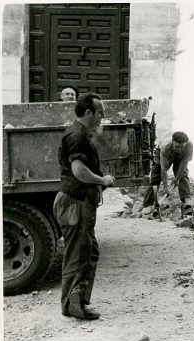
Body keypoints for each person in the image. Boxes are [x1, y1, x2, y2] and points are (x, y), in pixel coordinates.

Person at [53, 93, 115, 320]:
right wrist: (102, 180)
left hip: (77, 202)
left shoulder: (79, 133)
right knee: (78, 255)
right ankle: (73, 305)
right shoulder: (77, 135)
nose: (102, 117)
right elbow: (79, 171)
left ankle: (75, 302)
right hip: (75, 202)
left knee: (87, 252)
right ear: (88, 112)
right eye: (100, 113)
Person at [142, 131, 193, 213]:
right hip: (163, 154)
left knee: (183, 175)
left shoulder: (189, 145)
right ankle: (147, 204)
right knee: (155, 177)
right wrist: (165, 187)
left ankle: (186, 201)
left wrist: (177, 179)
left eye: (181, 147)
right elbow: (164, 170)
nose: (179, 149)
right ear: (172, 142)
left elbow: (184, 163)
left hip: (180, 157)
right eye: (177, 146)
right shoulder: (165, 147)